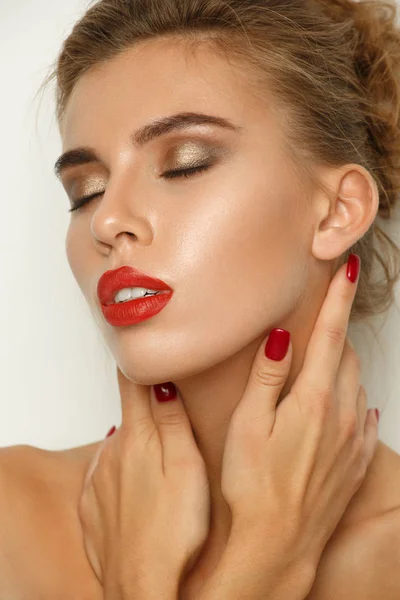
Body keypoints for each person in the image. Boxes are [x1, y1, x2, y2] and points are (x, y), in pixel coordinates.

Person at [1, 0, 399, 598]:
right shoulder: (12, 518)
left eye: (184, 164)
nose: (107, 220)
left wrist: (263, 561)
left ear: (339, 211)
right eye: (85, 191)